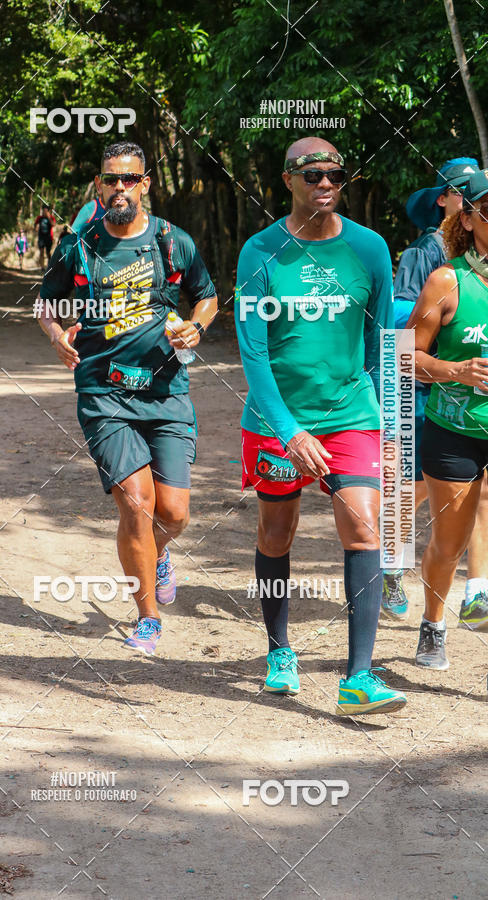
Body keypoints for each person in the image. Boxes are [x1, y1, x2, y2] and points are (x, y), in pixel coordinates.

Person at [235, 136, 406, 716]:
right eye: (312, 175)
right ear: (288, 180)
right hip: (275, 420)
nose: (325, 183)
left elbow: (382, 342)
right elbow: (253, 355)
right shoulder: (260, 252)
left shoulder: (371, 248)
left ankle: (358, 676)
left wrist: (386, 417)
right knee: (276, 532)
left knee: (365, 528)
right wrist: (290, 431)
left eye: (335, 173)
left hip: (351, 416)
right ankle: (280, 650)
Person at [37, 141, 217, 656]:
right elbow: (46, 303)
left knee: (175, 514)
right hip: (103, 392)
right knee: (138, 504)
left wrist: (197, 327)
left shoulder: (171, 241)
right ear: (99, 185)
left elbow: (206, 294)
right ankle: (148, 618)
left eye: (130, 179)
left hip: (166, 392)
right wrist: (54, 334)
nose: (120, 188)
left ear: (146, 184)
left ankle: (155, 557)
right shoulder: (78, 244)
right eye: (111, 179)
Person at [383, 158, 485, 621]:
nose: (471, 197)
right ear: (446, 201)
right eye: (463, 190)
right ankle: (391, 559)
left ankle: (476, 592)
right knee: (413, 487)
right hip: (425, 390)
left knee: (478, 495)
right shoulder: (427, 252)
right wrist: (451, 319)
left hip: (471, 398)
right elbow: (401, 316)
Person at [408, 169, 488, 669]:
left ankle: (479, 593)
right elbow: (409, 355)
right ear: (472, 216)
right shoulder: (447, 280)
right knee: (446, 543)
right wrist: (456, 369)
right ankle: (433, 623)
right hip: (454, 431)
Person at [34, 205, 55, 269]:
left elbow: (53, 224)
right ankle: (42, 267)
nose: (44, 212)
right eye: (43, 210)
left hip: (49, 237)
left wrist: (48, 217)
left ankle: (49, 265)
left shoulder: (51, 217)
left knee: (48, 252)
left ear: (48, 211)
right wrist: (36, 227)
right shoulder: (39, 218)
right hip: (41, 237)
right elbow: (35, 225)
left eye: (46, 211)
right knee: (41, 252)